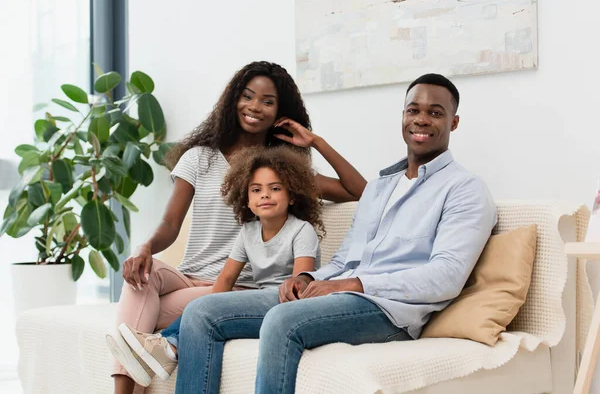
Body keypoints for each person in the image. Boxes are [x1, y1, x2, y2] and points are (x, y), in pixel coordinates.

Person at [172, 73, 498, 394]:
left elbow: (447, 277)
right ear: (402, 117)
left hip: (389, 310)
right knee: (202, 313)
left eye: (435, 112)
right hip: (340, 294)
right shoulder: (380, 188)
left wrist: (353, 284)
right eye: (413, 110)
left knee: (282, 319)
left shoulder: (464, 189)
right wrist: (307, 279)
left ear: (454, 123)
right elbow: (345, 259)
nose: (422, 119)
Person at [106, 61, 367, 394]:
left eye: (267, 101)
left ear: (280, 112)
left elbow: (360, 192)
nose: (255, 106)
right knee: (139, 277)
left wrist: (316, 142)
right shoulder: (200, 157)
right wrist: (144, 248)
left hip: (233, 288)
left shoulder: (279, 172)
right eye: (247, 96)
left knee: (142, 310)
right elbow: (170, 224)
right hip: (187, 276)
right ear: (233, 99)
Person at [109, 146, 324, 382]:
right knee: (199, 307)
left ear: (291, 196)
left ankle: (168, 345)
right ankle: (164, 346)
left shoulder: (302, 231)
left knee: (201, 310)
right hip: (259, 298)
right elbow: (225, 279)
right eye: (256, 190)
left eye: (275, 188)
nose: (265, 195)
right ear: (247, 201)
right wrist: (213, 303)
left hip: (284, 301)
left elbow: (299, 283)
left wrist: (211, 307)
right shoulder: (248, 232)